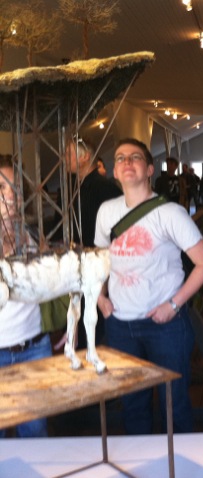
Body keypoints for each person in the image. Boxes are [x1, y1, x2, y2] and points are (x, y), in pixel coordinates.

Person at [94, 138, 203, 434]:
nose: (126, 162)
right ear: (114, 171)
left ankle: (179, 458)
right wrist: (100, 297)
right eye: (120, 158)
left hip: (165, 325)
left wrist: (173, 305)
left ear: (149, 169)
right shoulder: (106, 211)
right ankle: (142, 459)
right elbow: (99, 260)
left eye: (135, 157)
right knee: (132, 404)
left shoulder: (170, 213)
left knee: (174, 403)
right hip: (120, 323)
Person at [0, 154, 52, 438]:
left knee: (35, 432)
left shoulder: (32, 232)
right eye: (1, 187)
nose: (10, 195)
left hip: (34, 346)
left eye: (15, 188)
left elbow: (48, 283)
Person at [53, 137, 122, 349]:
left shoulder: (106, 189)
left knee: (96, 323)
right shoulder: (69, 187)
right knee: (80, 318)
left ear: (84, 157)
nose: (63, 159)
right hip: (76, 264)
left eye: (68, 154)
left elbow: (117, 233)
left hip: (100, 266)